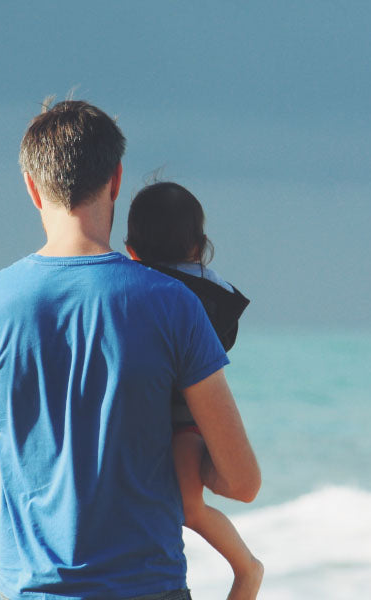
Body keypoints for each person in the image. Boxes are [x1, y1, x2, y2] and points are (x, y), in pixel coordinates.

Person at [0, 99, 260, 600]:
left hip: (28, 590)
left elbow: (31, 421)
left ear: (32, 188)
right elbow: (243, 482)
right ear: (116, 180)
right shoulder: (174, 305)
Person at [124, 182, 262, 600]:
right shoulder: (212, 290)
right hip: (174, 417)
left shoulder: (140, 289)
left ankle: (246, 568)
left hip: (188, 418)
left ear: (131, 249)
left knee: (187, 506)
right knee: (186, 506)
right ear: (199, 245)